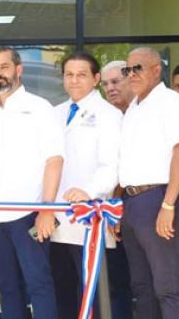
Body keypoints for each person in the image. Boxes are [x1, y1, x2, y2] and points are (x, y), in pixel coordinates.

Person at [0, 47, 63, 319]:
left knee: (39, 285)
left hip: (28, 215)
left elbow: (54, 160)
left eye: (4, 67)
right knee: (7, 288)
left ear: (18, 70)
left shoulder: (39, 108)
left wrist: (47, 210)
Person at [116, 47, 179, 319]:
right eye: (128, 69)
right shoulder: (134, 108)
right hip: (133, 200)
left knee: (166, 285)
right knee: (142, 285)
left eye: (138, 68)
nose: (132, 74)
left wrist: (168, 204)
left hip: (159, 197)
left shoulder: (171, 103)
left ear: (156, 70)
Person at [53, 52, 123, 319]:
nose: (74, 80)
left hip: (88, 219)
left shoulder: (108, 114)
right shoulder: (56, 113)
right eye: (69, 75)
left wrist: (88, 192)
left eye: (81, 75)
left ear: (95, 79)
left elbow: (111, 165)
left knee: (94, 295)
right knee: (64, 292)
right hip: (57, 218)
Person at [97, 60, 135, 319]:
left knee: (144, 281)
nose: (110, 88)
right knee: (113, 278)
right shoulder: (103, 118)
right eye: (106, 84)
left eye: (116, 82)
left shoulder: (142, 115)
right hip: (105, 212)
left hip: (137, 205)